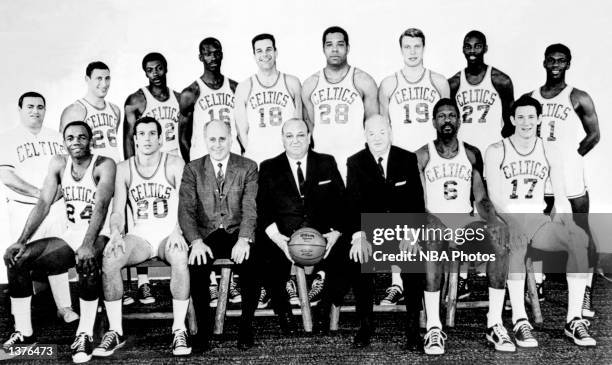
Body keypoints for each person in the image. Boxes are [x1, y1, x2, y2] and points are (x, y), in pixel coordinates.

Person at [486, 95, 595, 347]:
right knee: (516, 243)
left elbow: (560, 193)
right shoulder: (496, 150)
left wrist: (567, 221)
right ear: (512, 119)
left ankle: (574, 320)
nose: (526, 122)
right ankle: (520, 320)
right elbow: (494, 197)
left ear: (539, 120)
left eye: (531, 117)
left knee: (578, 239)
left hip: (536, 219)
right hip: (505, 218)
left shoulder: (549, 149)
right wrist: (511, 223)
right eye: (520, 117)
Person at [3, 121, 115, 363]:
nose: (76, 142)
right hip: (71, 233)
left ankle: (84, 333)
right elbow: (44, 202)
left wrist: (87, 243)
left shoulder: (104, 164)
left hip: (99, 233)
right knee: (16, 258)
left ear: (91, 140)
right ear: (64, 142)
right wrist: (21, 240)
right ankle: (24, 334)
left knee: (87, 260)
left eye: (82, 137)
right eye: (71, 137)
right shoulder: (59, 163)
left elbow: (102, 206)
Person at [415, 99, 511, 354]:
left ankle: (495, 323)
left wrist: (493, 220)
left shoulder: (471, 153)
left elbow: (480, 198)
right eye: (441, 116)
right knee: (433, 241)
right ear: (433, 121)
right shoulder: (423, 155)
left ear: (459, 120)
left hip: (465, 221)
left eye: (452, 115)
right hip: (433, 221)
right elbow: (418, 203)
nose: (447, 120)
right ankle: (434, 327)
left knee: (500, 244)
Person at [95, 117, 191, 357]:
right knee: (110, 258)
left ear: (160, 138)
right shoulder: (124, 167)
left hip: (170, 232)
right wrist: (116, 233)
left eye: (152, 134)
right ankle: (116, 330)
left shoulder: (174, 163)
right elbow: (117, 211)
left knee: (180, 256)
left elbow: (186, 205)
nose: (147, 138)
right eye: (142, 134)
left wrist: (179, 231)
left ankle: (179, 328)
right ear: (134, 138)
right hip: (140, 236)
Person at [377, 28, 449, 304]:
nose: (412, 51)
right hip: (401, 159)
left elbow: (446, 119)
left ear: (424, 47)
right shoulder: (389, 83)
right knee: (400, 217)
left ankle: (441, 277)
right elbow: (384, 125)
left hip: (431, 155)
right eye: (407, 46)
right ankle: (398, 282)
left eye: (417, 46)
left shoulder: (438, 81)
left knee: (433, 213)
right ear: (401, 49)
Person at [527, 44, 600, 315]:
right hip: (541, 177)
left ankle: (587, 291)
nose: (556, 64)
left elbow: (594, 135)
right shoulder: (531, 97)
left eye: (561, 60)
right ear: (544, 62)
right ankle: (537, 283)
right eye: (551, 60)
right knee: (535, 229)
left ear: (568, 64)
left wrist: (572, 155)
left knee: (582, 232)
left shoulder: (579, 97)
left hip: (571, 179)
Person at [256, 118, 346, 334]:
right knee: (262, 250)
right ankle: (283, 309)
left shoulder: (326, 162)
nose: (295, 140)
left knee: (347, 252)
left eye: (300, 135)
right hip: (285, 236)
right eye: (289, 136)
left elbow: (342, 202)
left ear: (309, 136)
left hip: (322, 234)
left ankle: (325, 307)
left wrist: (335, 233)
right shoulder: (269, 167)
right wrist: (278, 239)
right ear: (282, 139)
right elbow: (262, 208)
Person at [344, 114, 426, 348]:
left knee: (414, 256)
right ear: (365, 136)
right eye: (371, 133)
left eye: (381, 132)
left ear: (390, 131)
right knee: (358, 258)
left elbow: (416, 201)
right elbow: (352, 204)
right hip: (371, 232)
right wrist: (359, 237)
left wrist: (411, 234)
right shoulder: (356, 162)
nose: (377, 138)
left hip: (402, 231)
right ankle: (365, 325)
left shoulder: (407, 158)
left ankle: (413, 329)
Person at [179, 120, 259, 351]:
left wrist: (244, 239)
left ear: (231, 138)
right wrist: (195, 242)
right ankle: (202, 331)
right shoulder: (193, 169)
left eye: (222, 139)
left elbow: (250, 207)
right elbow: (186, 210)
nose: (217, 144)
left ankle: (246, 325)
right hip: (207, 235)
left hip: (236, 232)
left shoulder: (248, 166)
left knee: (252, 262)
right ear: (205, 140)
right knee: (196, 266)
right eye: (212, 139)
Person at [448, 30, 515, 300]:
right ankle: (462, 277)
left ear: (485, 47)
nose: (473, 50)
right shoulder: (454, 83)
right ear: (462, 49)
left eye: (477, 45)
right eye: (468, 46)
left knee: (496, 210)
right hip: (467, 156)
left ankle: (505, 275)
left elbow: (510, 121)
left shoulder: (500, 79)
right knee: (465, 211)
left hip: (492, 156)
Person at [0, 92, 77, 323]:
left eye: (40, 107)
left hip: (55, 207)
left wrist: (59, 193)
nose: (36, 111)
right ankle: (21, 319)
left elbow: (70, 172)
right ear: (20, 109)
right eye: (30, 106)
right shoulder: (7, 138)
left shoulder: (56, 137)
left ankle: (64, 307)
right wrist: (40, 194)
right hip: (24, 207)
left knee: (57, 259)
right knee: (19, 259)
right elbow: (6, 175)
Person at [123, 52, 181, 305]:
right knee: (140, 222)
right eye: (150, 69)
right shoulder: (137, 98)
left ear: (166, 68)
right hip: (144, 167)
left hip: (171, 164)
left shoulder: (178, 98)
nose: (155, 73)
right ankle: (143, 283)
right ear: (144, 72)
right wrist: (132, 171)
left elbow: (185, 135)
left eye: (159, 68)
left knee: (178, 221)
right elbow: (128, 137)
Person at [234, 33, 302, 164]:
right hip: (257, 160)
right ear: (254, 56)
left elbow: (299, 124)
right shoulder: (244, 87)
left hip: (287, 160)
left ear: (276, 52)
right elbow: (242, 132)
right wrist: (255, 153)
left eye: (268, 49)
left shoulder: (292, 83)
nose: (264, 54)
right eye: (259, 51)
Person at [178, 37, 241, 162]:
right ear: (201, 57)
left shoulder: (235, 88)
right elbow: (183, 138)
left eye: (216, 53)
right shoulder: (190, 93)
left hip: (233, 158)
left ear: (222, 55)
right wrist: (191, 166)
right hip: (203, 160)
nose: (213, 58)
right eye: (207, 54)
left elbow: (243, 128)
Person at [60, 61, 122, 162]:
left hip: (116, 170)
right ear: (87, 79)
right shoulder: (74, 110)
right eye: (99, 78)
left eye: (107, 78)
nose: (104, 84)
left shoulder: (115, 110)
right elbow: (64, 149)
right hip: (91, 172)